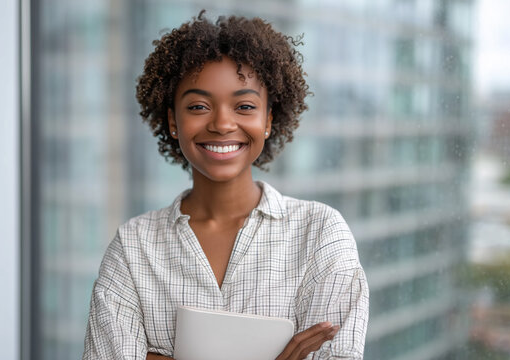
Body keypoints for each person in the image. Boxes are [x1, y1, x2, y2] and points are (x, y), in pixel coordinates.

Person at [83, 12, 368, 360]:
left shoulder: (321, 234)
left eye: (245, 106)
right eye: (199, 106)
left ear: (268, 120)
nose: (221, 123)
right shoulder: (132, 249)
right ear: (174, 121)